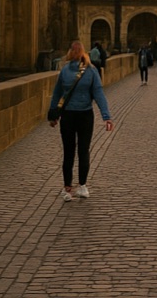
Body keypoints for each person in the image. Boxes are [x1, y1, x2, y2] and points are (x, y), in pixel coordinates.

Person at [48, 41, 113, 201]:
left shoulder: (64, 70)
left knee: (68, 152)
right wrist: (106, 116)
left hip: (68, 116)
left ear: (70, 53)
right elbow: (98, 94)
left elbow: (57, 94)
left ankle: (67, 189)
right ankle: (83, 187)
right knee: (83, 151)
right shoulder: (91, 71)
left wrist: (53, 115)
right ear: (84, 53)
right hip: (85, 115)